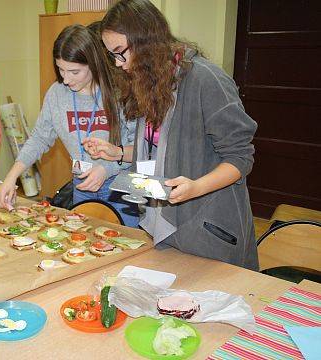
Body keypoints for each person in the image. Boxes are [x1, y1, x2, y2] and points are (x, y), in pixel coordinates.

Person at [84, 0, 259, 269]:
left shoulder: (205, 79)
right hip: (165, 228)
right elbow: (163, 150)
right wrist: (119, 153)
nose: (118, 64)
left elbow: (240, 157)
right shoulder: (148, 81)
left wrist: (196, 187)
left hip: (207, 228)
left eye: (121, 52)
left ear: (146, 40)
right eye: (112, 55)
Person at [0, 24, 138, 227]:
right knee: (85, 248)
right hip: (82, 188)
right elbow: (39, 138)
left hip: (120, 188)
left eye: (74, 72)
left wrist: (106, 168)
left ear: (93, 64)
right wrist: (11, 177)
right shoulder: (57, 93)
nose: (66, 79)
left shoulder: (119, 92)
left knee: (124, 248)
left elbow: (139, 148)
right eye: (61, 69)